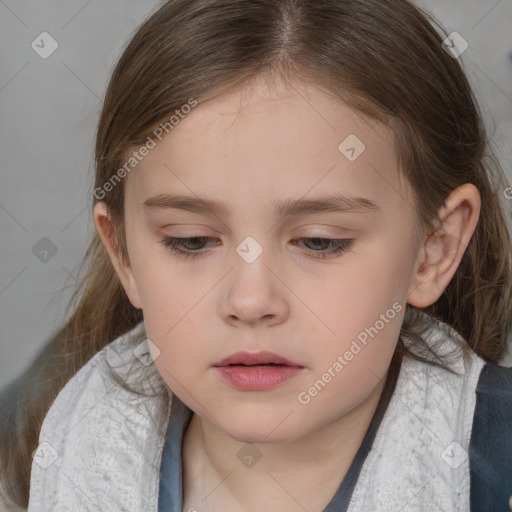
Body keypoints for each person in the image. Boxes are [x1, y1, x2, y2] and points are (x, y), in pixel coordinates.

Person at [1, 0, 511, 510]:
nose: (250, 301)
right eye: (191, 240)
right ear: (125, 254)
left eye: (320, 241)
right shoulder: (46, 455)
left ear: (433, 250)